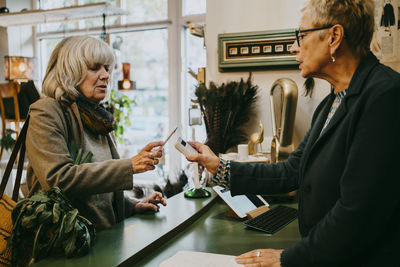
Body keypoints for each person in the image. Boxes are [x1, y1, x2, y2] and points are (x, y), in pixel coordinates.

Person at [187, 0, 400, 266]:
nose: (293, 46)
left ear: (334, 37)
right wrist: (219, 167)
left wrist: (291, 258)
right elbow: (292, 171)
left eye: (301, 35)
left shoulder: (384, 96)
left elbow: (359, 210)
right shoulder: (332, 102)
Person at [26, 36, 167, 231]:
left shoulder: (98, 118)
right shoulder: (47, 111)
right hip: (63, 246)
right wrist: (129, 166)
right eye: (95, 68)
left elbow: (98, 197)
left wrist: (133, 205)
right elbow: (58, 180)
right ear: (70, 71)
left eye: (107, 69)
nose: (106, 75)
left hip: (102, 242)